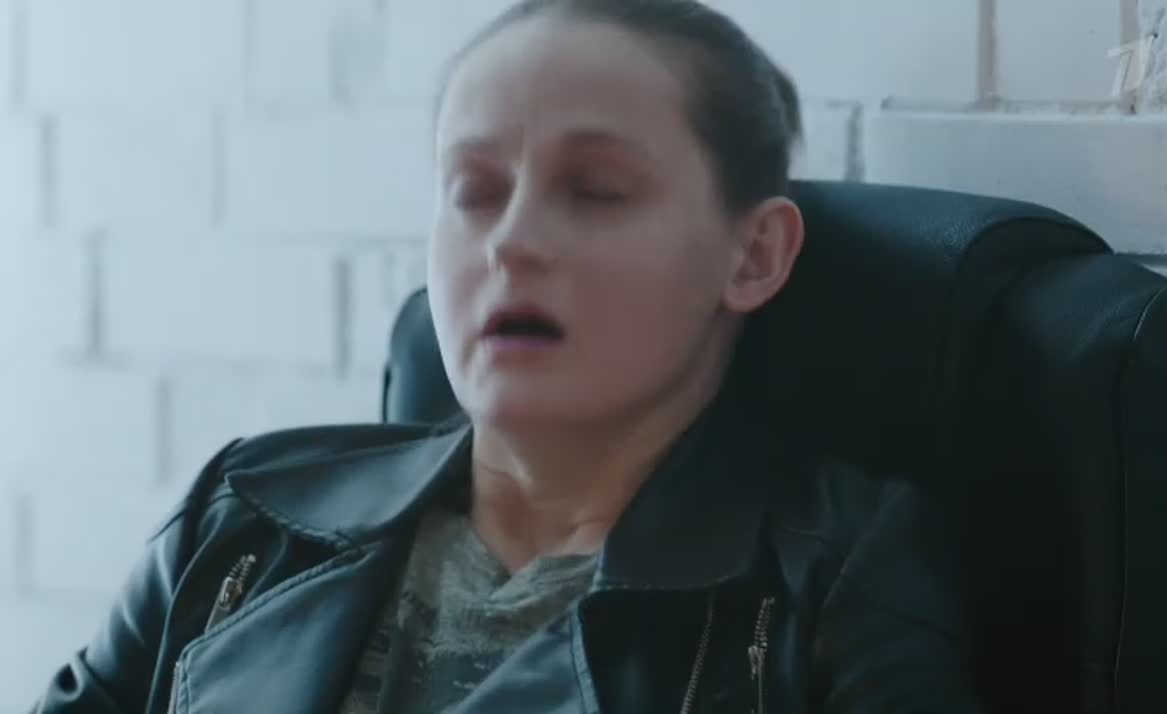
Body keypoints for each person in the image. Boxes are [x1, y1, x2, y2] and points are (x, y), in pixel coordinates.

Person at [31, 0, 985, 712]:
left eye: (597, 190)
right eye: (476, 191)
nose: (512, 241)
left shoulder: (830, 576)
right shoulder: (248, 516)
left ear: (754, 254)